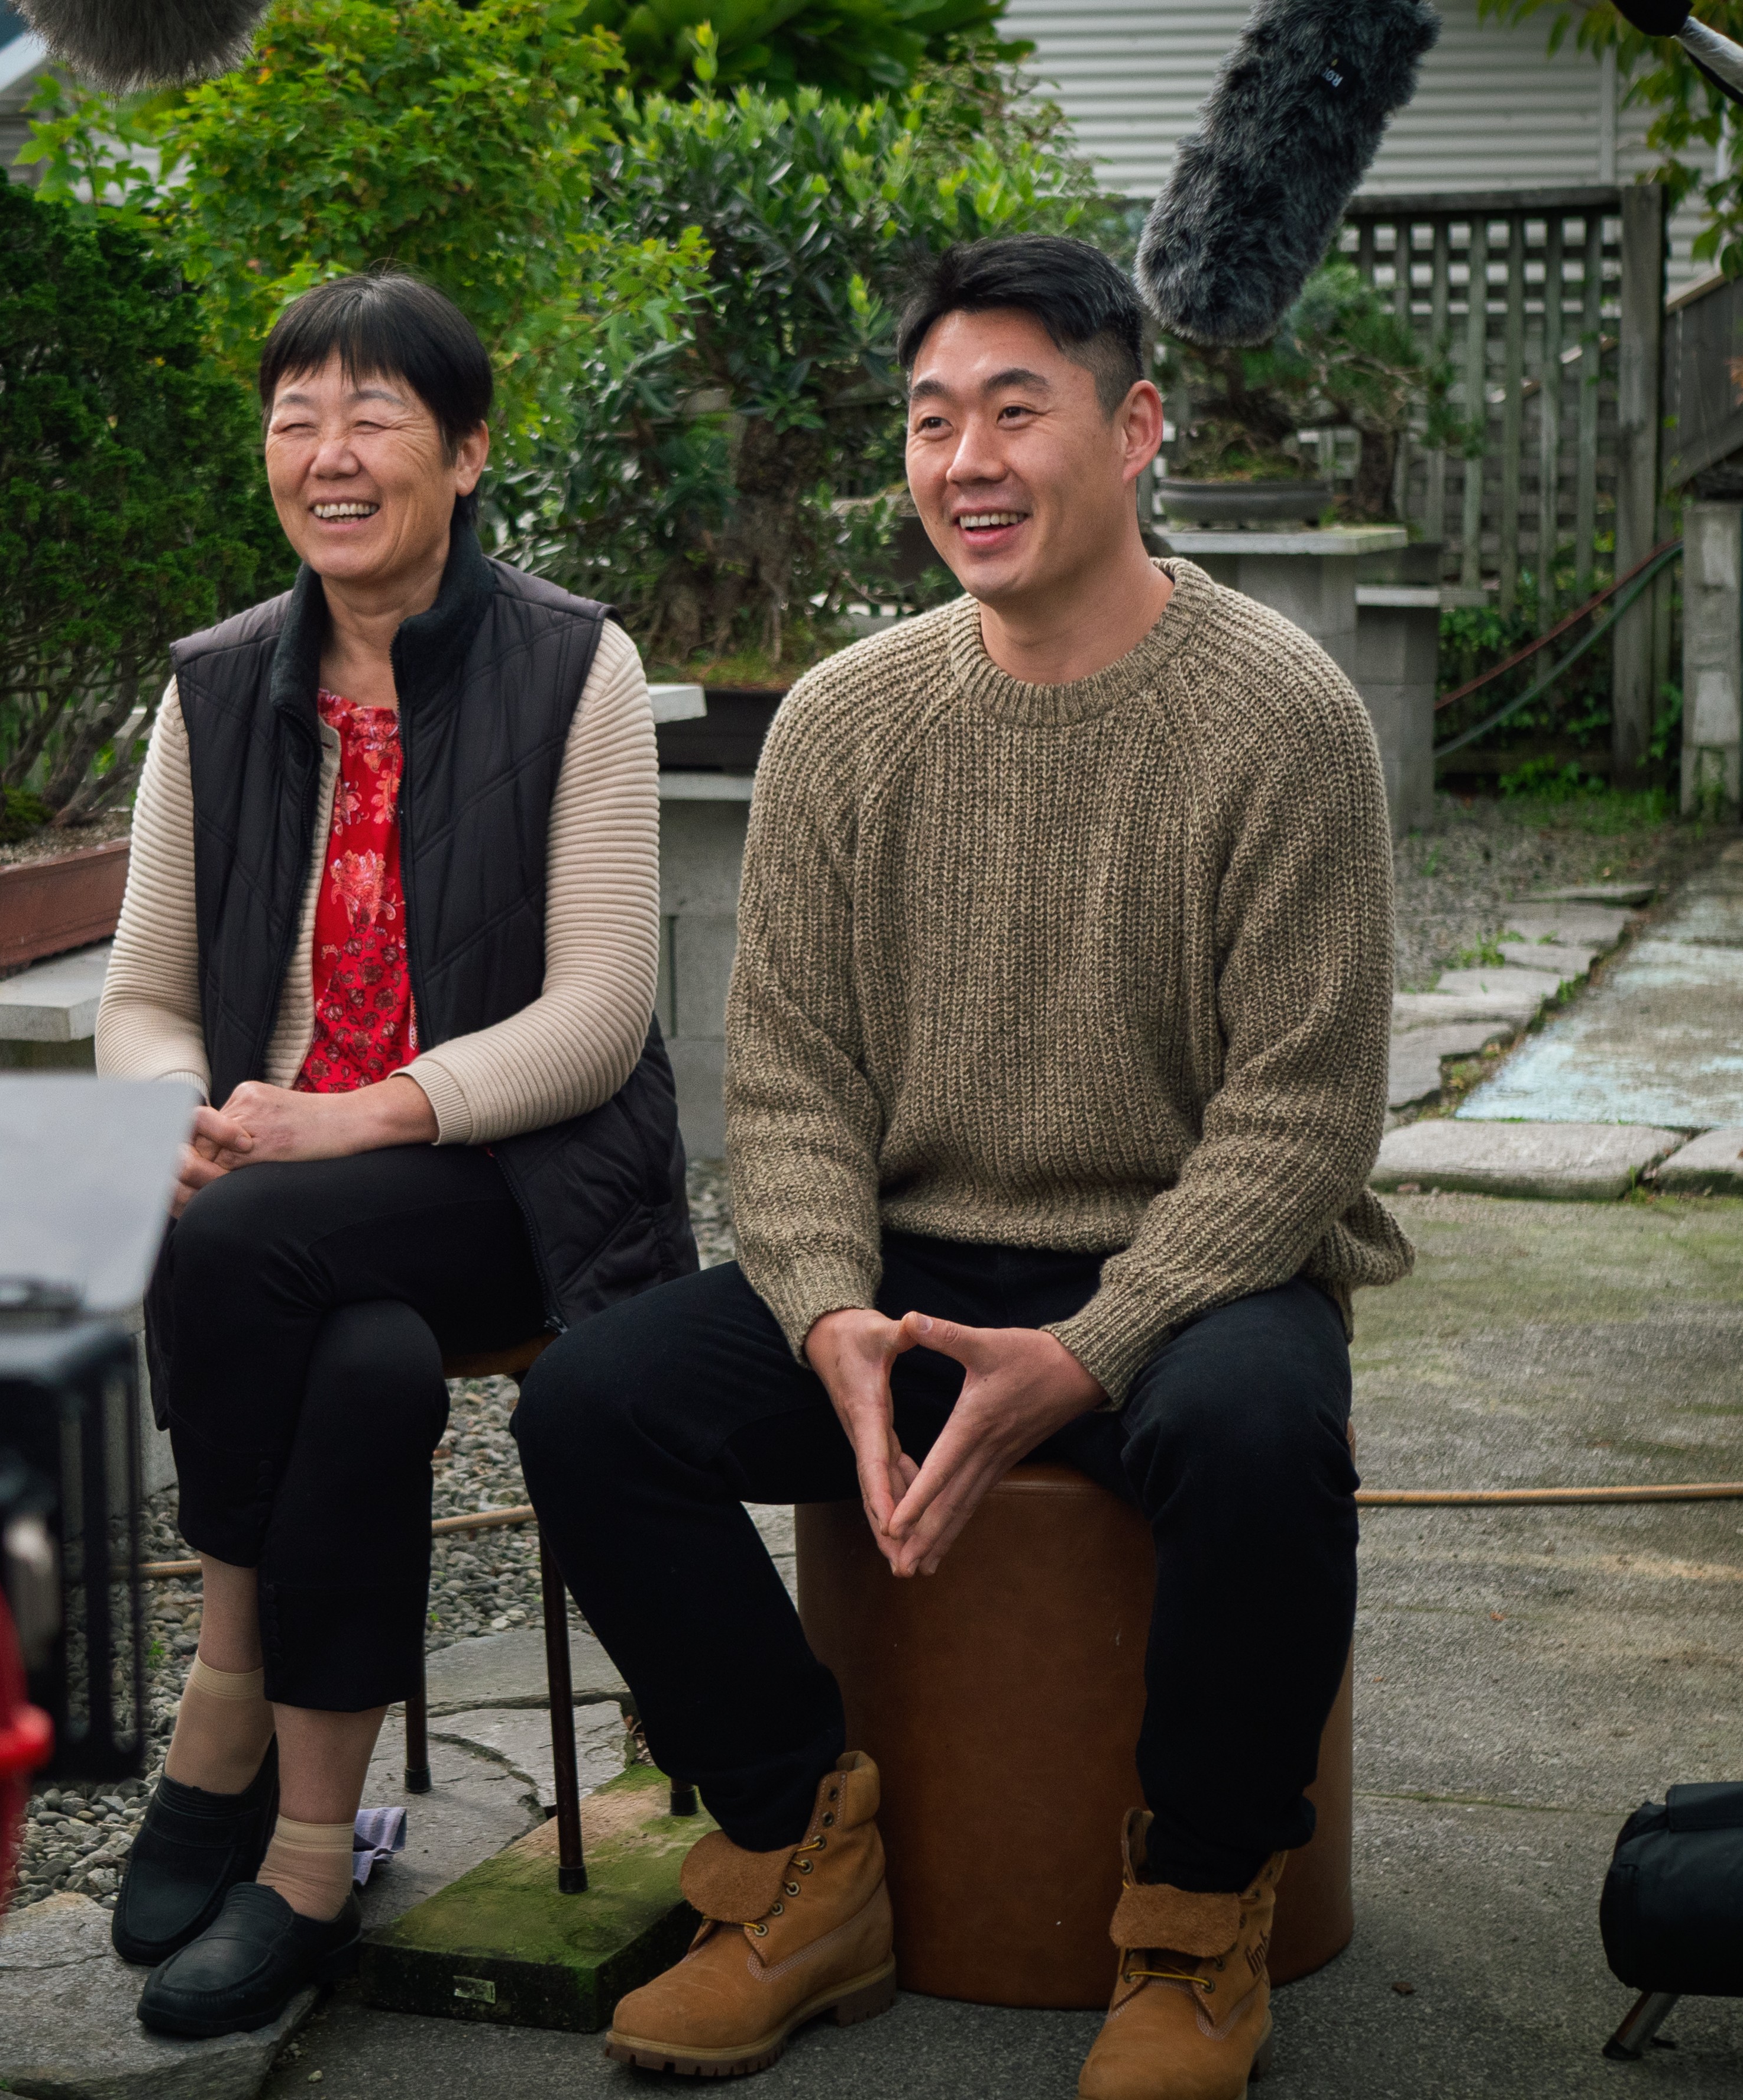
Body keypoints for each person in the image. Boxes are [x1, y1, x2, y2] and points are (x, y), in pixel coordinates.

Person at [514, 232, 1413, 2098]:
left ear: (1137, 424)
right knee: (598, 1405)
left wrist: (1098, 1344)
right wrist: (829, 1311)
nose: (967, 462)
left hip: (1195, 1273)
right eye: (933, 421)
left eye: (1020, 410)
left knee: (1259, 1442)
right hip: (917, 1262)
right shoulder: (850, 720)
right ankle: (797, 1853)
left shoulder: (1285, 715)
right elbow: (793, 1084)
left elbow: (1305, 1113)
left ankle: (1194, 1911)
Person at [93, 270, 696, 2038]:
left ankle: (221, 1690)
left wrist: (349, 1115)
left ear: (468, 449)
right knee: (347, 1357)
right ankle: (301, 1853)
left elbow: (600, 1011)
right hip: (286, 1214)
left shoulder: (580, 665)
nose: (327, 453)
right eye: (296, 418)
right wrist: (177, 1119)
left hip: (507, 1187)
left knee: (245, 1247)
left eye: (372, 416)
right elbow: (137, 996)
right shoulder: (211, 690)